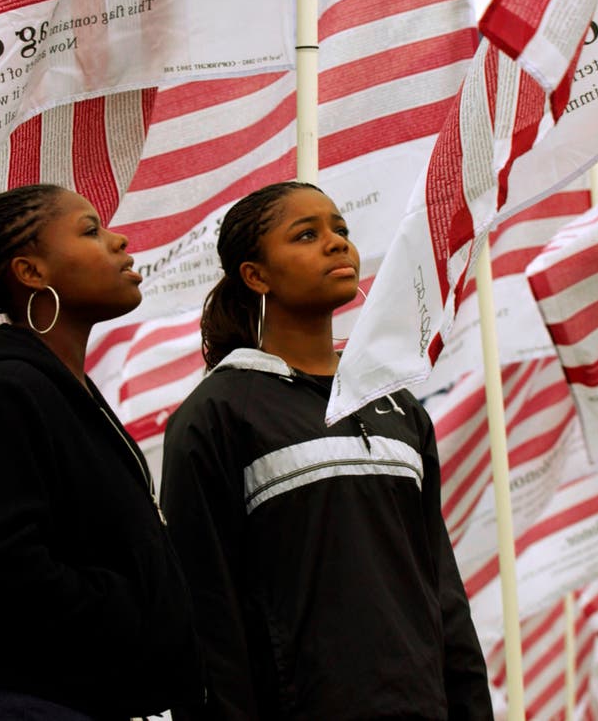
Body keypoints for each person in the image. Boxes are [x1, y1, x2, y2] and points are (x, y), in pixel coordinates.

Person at [161, 181, 492, 721]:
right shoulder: (217, 412)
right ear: (256, 275)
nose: (337, 243)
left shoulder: (400, 409)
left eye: (340, 229)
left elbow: (440, 588)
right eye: (307, 235)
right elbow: (206, 616)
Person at [0, 183, 202, 720]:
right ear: (31, 272)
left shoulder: (62, 390)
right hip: (21, 701)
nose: (118, 241)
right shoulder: (4, 388)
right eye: (90, 230)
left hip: (75, 696)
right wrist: (136, 611)